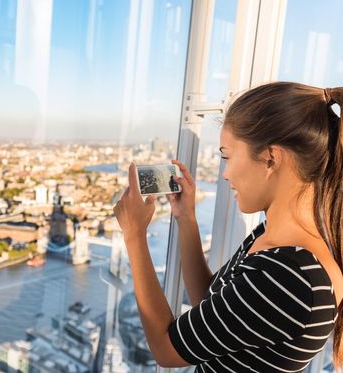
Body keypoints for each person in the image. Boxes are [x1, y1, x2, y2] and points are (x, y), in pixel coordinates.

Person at [113, 82, 343, 371]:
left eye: (227, 156)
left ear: (271, 158)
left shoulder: (289, 277)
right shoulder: (271, 240)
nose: (225, 173)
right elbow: (212, 305)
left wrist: (134, 236)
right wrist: (186, 218)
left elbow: (166, 349)